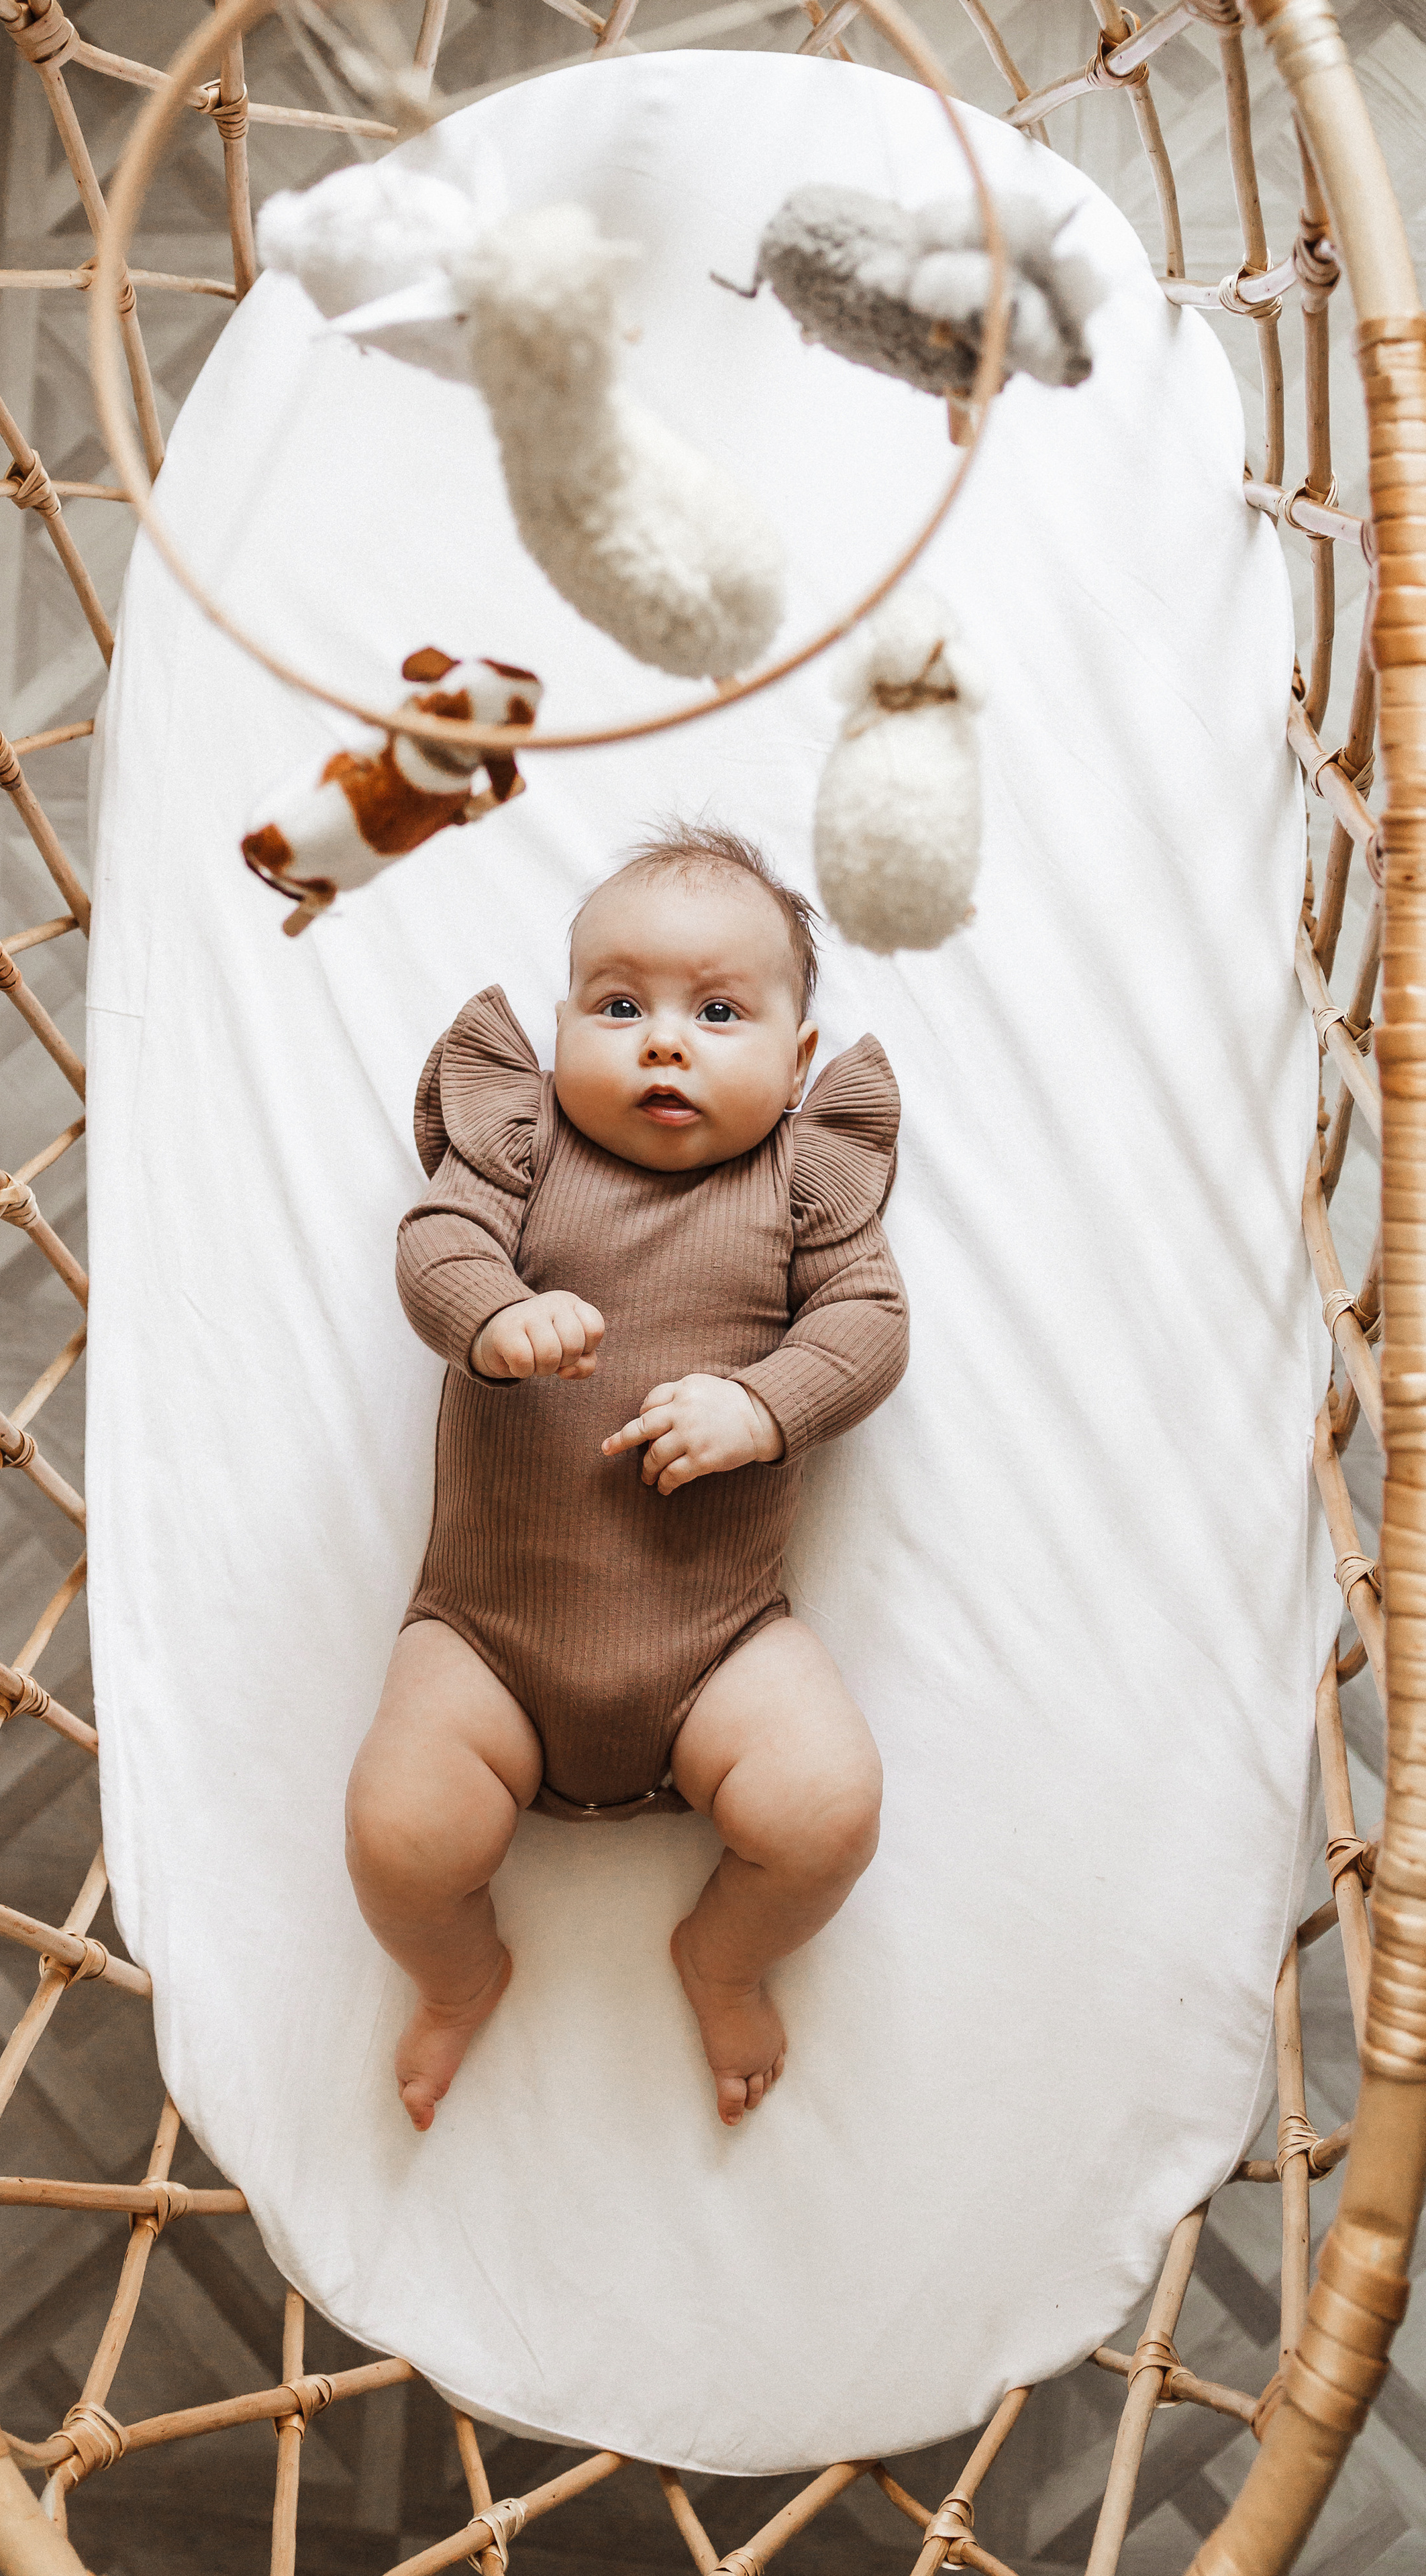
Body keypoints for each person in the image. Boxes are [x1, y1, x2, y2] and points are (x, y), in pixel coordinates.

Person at [346, 823, 908, 2131]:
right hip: (485, 1641)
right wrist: (492, 1315)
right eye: (618, 1005)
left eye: (717, 1011)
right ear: (555, 1033)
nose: (663, 1040)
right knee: (396, 1839)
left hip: (716, 1645)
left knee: (825, 1809)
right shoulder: (522, 1143)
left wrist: (763, 1407)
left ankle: (722, 1953)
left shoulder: (801, 1183)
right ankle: (455, 1974)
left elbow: (866, 1330)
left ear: (796, 1059)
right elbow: (434, 1244)